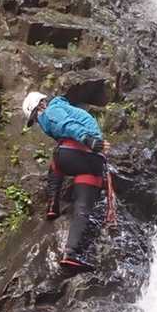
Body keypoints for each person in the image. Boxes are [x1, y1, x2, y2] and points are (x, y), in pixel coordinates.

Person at [22, 90, 108, 269]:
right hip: (92, 161)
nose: (38, 121)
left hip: (75, 152)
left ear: (42, 104)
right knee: (83, 209)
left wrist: (87, 139)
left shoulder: (53, 109)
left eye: (35, 116)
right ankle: (70, 252)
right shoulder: (59, 110)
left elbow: (66, 124)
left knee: (59, 157)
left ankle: (53, 203)